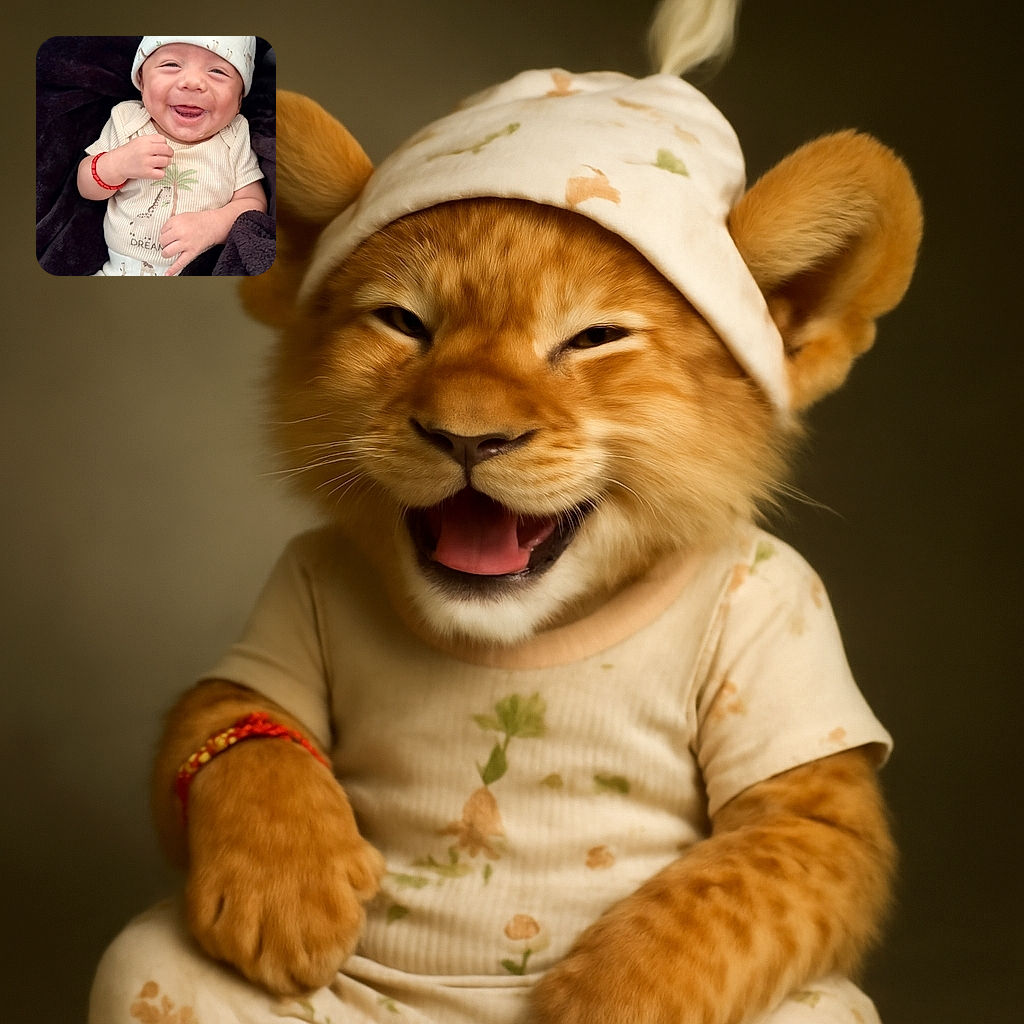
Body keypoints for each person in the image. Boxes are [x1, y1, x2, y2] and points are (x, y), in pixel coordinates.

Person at [77, 35, 266, 276]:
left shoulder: (234, 135)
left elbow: (254, 204)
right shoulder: (128, 121)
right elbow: (85, 185)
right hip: (119, 271)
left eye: (217, 71)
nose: (193, 82)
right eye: (172, 65)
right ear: (142, 83)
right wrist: (117, 165)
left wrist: (214, 225)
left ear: (239, 100)